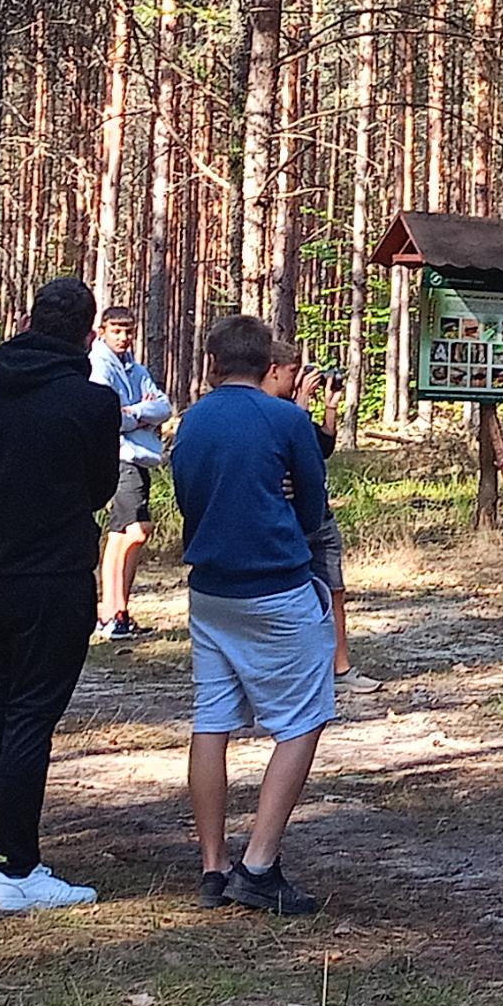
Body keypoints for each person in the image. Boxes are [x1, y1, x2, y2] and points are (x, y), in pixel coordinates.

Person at [0, 276, 121, 913]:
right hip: (52, 583)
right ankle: (17, 866)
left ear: (28, 321)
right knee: (29, 722)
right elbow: (99, 491)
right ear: (86, 333)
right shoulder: (92, 405)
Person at [177, 315, 342, 916]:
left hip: (209, 588)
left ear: (213, 364)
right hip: (274, 586)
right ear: (265, 362)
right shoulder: (287, 418)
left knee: (213, 719)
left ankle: (213, 865)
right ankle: (260, 863)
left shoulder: (192, 422)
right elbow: (313, 506)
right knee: (302, 719)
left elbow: (188, 495)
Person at [261, 343, 355, 687]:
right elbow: (288, 448)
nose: (300, 377)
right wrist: (300, 403)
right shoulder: (269, 409)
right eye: (293, 371)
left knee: (334, 589)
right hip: (288, 518)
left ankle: (340, 667)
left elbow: (322, 448)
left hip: (320, 515)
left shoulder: (296, 411)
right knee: (292, 596)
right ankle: (294, 672)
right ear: (274, 370)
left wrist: (329, 407)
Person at [91, 304, 174, 644]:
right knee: (132, 531)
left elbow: (163, 406)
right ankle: (111, 611)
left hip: (140, 457)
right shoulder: (100, 365)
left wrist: (136, 412)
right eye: (116, 331)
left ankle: (117, 610)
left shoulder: (134, 368)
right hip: (120, 455)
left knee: (127, 533)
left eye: (128, 331)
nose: (124, 337)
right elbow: (107, 413)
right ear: (102, 332)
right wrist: (141, 415)